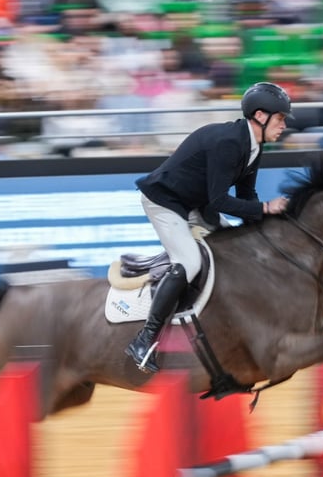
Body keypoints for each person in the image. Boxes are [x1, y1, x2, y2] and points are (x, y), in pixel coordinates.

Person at [124, 81, 292, 373]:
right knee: (188, 262)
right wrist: (265, 209)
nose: (285, 125)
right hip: (165, 202)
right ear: (261, 116)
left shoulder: (253, 146)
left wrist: (266, 230)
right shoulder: (229, 143)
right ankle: (145, 338)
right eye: (281, 118)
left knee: (238, 249)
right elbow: (220, 200)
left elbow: (246, 196)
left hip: (197, 205)